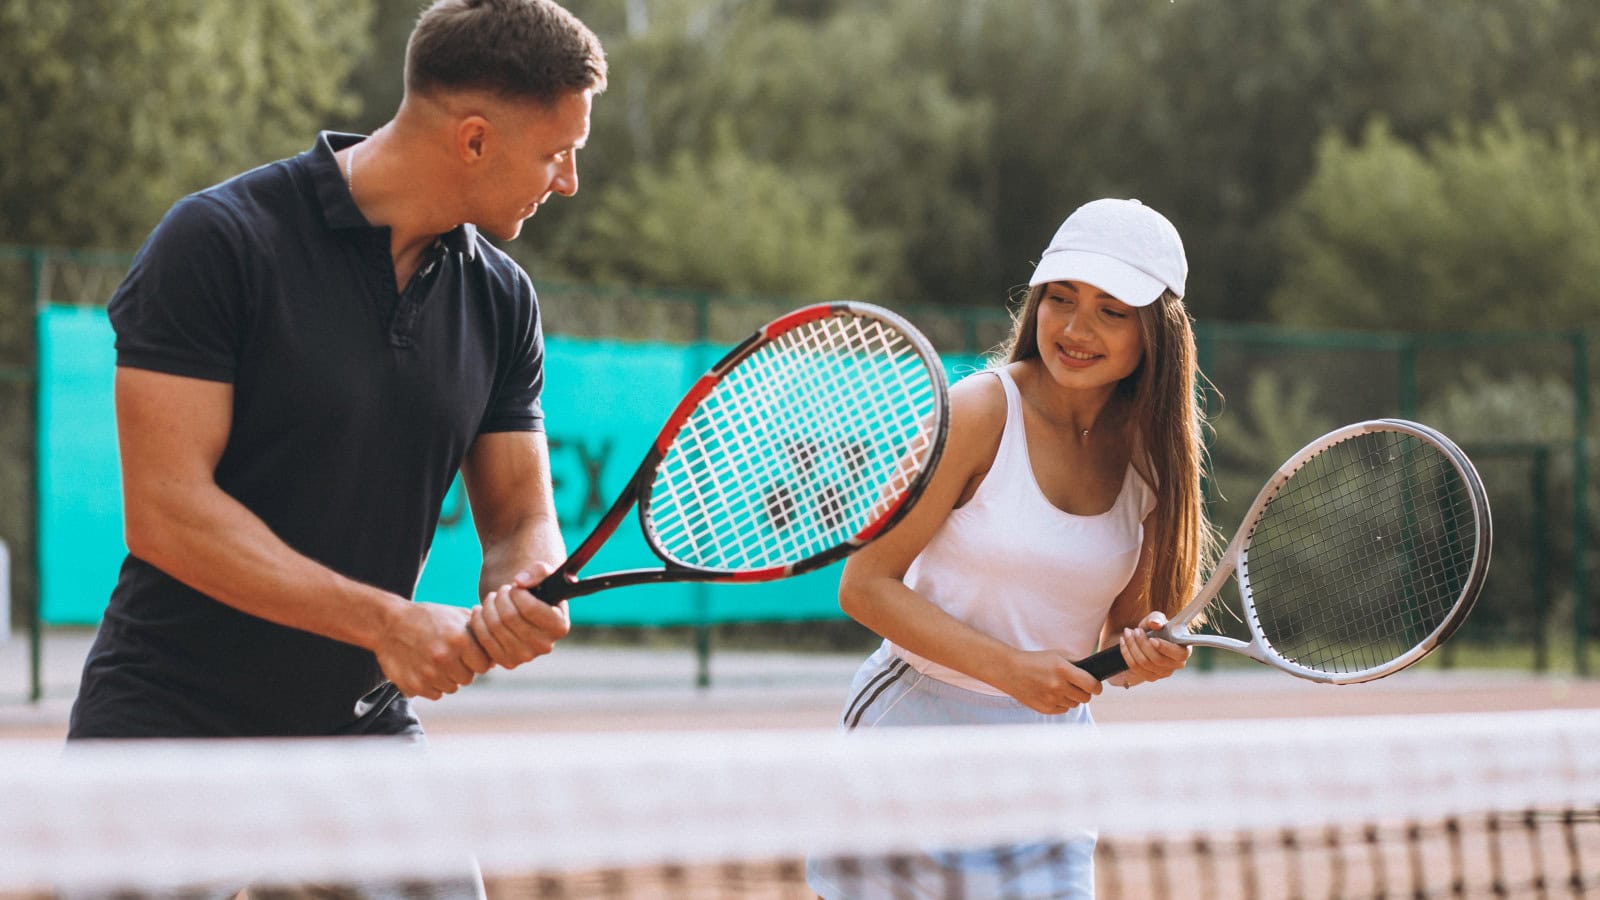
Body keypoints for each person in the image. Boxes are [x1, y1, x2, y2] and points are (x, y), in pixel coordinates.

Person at [69, 0, 605, 743]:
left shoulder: (503, 299)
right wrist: (386, 623)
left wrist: (525, 581)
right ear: (474, 140)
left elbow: (521, 516)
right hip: (167, 725)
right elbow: (168, 513)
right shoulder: (217, 243)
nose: (569, 180)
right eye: (556, 152)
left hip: (364, 726)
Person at [805, 198, 1218, 899]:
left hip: (1050, 769)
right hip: (912, 739)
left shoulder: (1153, 455)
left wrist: (1143, 653)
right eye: (1062, 298)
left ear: (1155, 333)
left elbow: (1125, 632)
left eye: (1111, 311)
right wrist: (1011, 671)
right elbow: (864, 585)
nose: (1076, 328)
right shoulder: (976, 412)